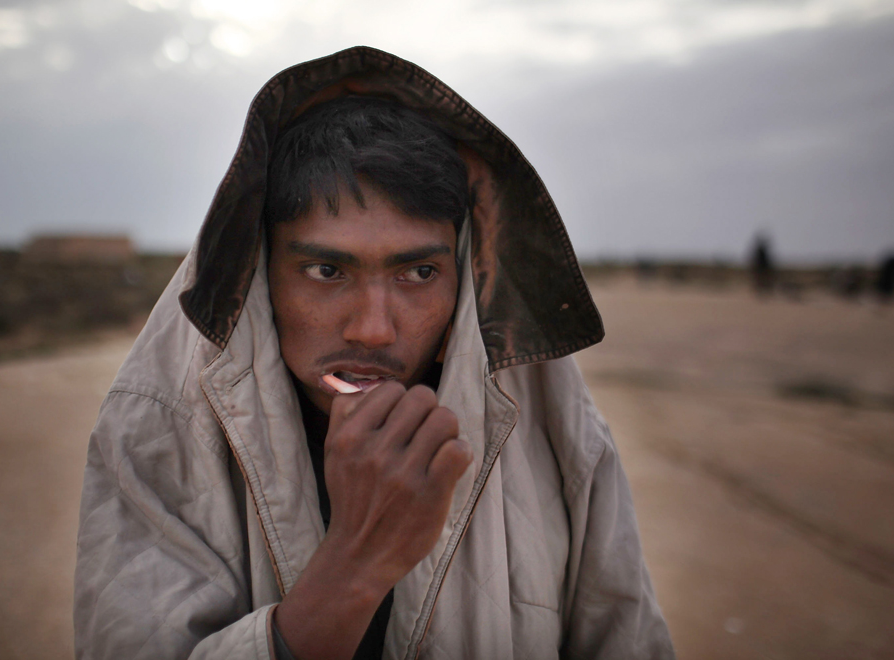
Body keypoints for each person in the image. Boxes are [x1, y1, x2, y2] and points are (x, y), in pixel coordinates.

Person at [74, 46, 674, 659]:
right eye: (326, 269)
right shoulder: (157, 423)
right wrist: (357, 561)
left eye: (417, 273)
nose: (373, 330)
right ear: (261, 275)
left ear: (462, 279)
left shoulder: (553, 425)